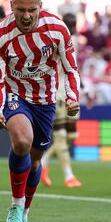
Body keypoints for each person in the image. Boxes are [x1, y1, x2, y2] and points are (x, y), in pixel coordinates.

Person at [0, 0, 80, 222]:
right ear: (12, 7)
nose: (26, 16)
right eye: (21, 10)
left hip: (47, 101)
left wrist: (73, 98)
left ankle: (25, 212)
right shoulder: (0, 38)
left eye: (32, 10)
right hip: (16, 96)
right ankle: (16, 206)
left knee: (36, 161)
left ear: (41, 6)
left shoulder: (57, 30)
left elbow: (70, 68)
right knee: (21, 142)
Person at [40, 12, 92, 188]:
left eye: (73, 24)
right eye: (69, 24)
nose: (71, 28)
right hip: (57, 93)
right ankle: (69, 176)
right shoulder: (54, 39)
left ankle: (44, 161)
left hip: (71, 93)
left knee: (72, 136)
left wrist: (83, 88)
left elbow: (73, 68)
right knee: (61, 137)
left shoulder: (73, 41)